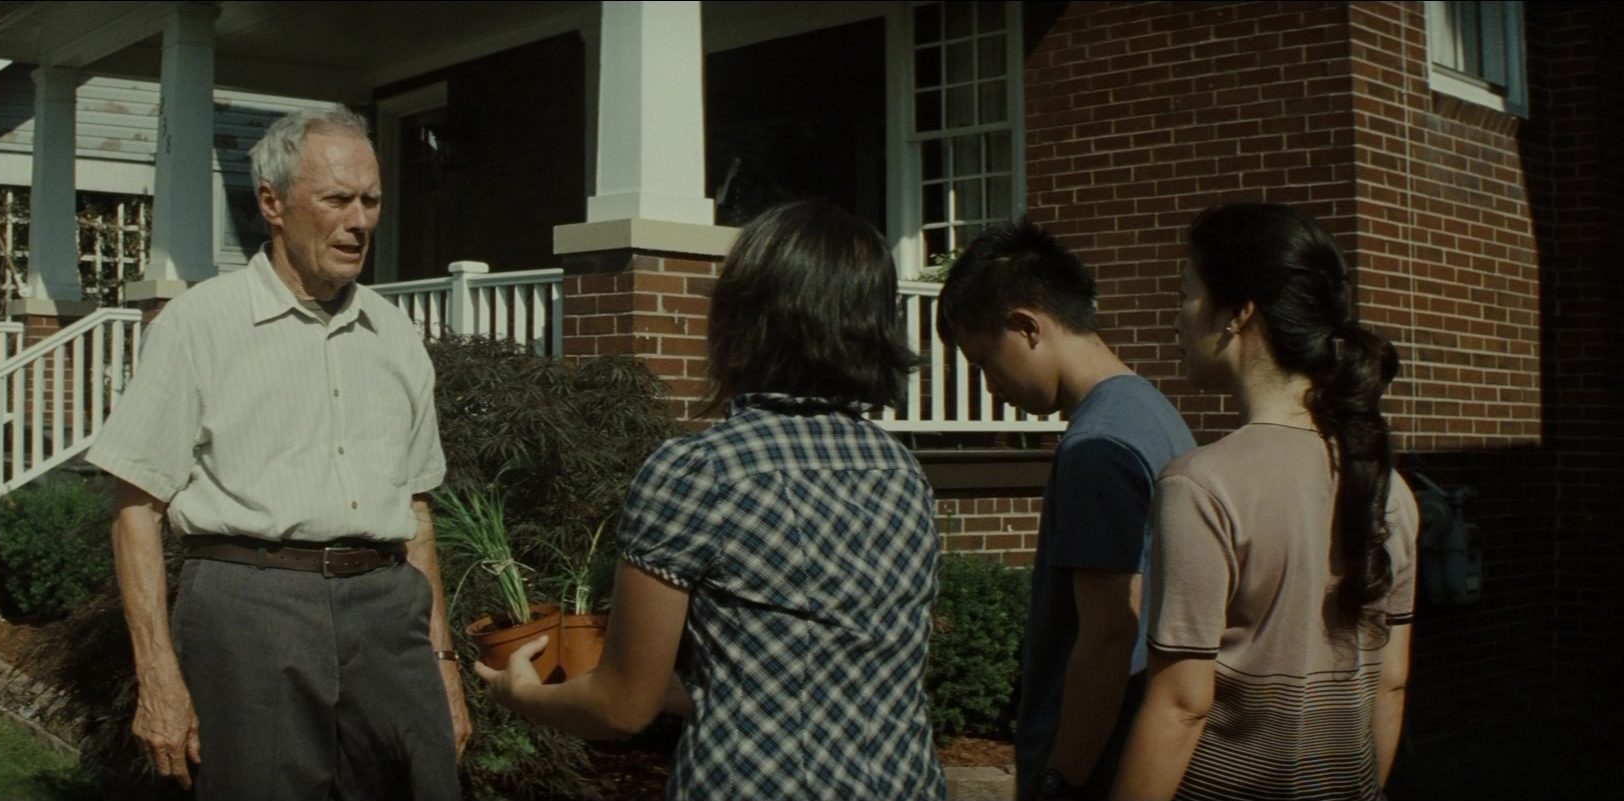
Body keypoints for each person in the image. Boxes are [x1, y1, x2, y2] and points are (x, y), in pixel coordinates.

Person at [474, 200, 946, 800]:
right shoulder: (901, 473)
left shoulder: (701, 472)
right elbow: (809, 669)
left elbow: (622, 707)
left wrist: (523, 695)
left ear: (745, 317)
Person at [86, 106, 468, 801]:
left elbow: (416, 510)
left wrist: (442, 660)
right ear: (272, 203)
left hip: (388, 614)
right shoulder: (200, 325)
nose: (360, 222)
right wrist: (158, 675)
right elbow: (136, 506)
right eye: (337, 199)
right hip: (250, 613)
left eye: (371, 200)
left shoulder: (395, 335)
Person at [1111, 203, 1418, 801]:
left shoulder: (1201, 486)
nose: (1176, 319)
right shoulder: (1391, 490)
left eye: (1186, 295)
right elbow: (1392, 680)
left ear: (1238, 313)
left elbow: (1180, 706)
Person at [935, 219, 1196, 801]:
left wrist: (1061, 776)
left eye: (985, 362)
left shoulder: (1096, 446)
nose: (990, 386)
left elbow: (1108, 635)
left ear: (1027, 327)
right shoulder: (1153, 412)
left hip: (1099, 768)